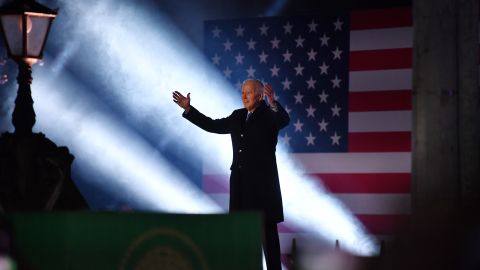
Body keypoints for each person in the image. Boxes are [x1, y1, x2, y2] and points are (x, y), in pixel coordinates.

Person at [172, 79, 290, 270]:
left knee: (268, 239)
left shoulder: (269, 115)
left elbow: (283, 120)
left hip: (263, 189)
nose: (244, 96)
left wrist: (274, 103)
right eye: (243, 92)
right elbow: (212, 125)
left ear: (260, 96)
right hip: (241, 186)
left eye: (249, 93)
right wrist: (189, 109)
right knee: (242, 239)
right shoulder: (237, 116)